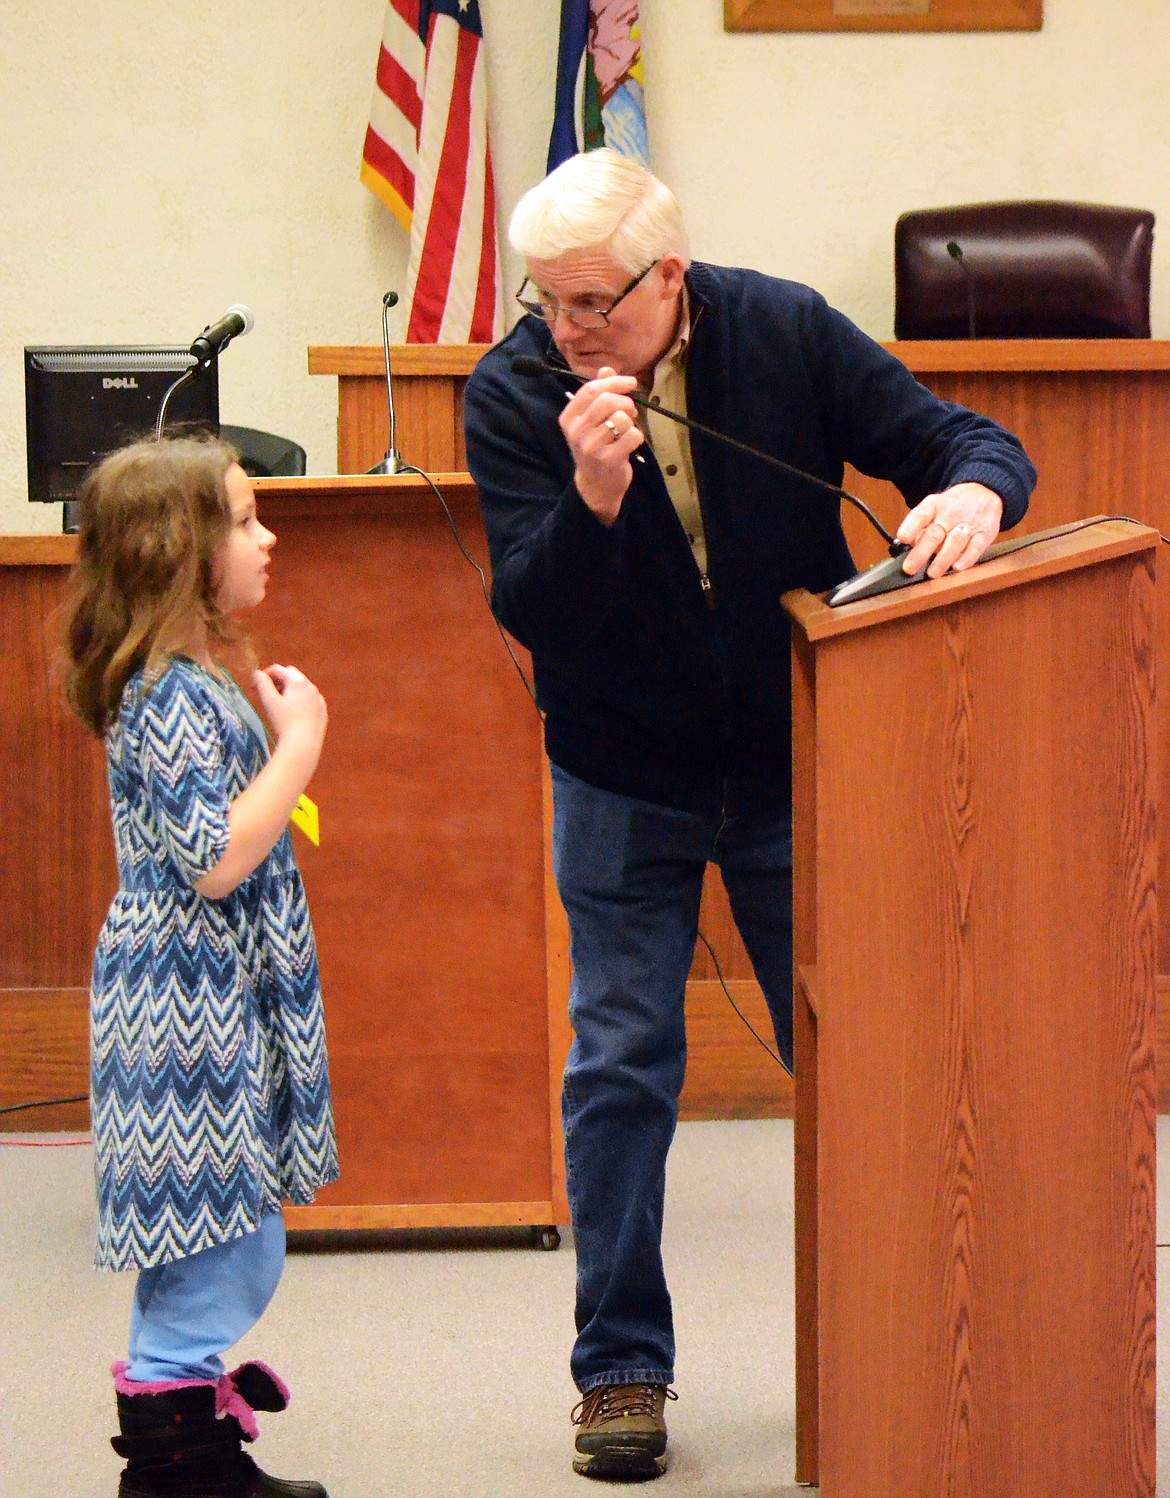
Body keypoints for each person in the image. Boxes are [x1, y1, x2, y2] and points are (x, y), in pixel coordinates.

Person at [463, 148, 1037, 1482]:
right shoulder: (513, 390)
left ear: (671, 275)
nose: (565, 330)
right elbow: (529, 611)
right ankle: (618, 1372)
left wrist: (970, 492)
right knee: (619, 1064)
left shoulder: (776, 323)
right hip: (619, 776)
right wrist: (594, 502)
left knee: (852, 1056)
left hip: (798, 759)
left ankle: (898, 1338)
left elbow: (965, 438)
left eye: (592, 301)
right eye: (545, 300)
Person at [63, 435, 339, 1498]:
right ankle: (180, 1463)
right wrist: (301, 743)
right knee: (223, 1235)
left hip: (208, 993)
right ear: (181, 547)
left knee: (211, 1227)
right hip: (186, 1005)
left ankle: (183, 1447)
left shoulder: (186, 678)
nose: (266, 537)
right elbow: (219, 857)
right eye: (244, 517)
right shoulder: (169, 693)